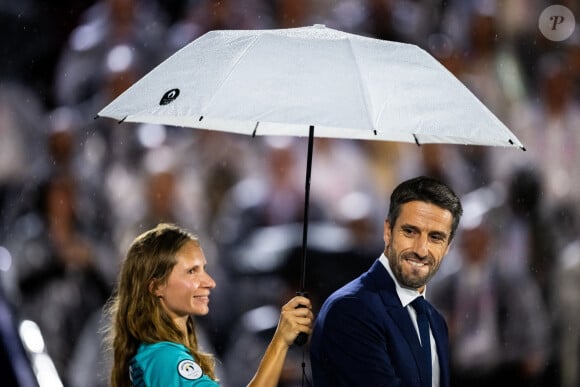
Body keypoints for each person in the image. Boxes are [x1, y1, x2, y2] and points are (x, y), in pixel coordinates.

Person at [105, 223, 313, 387]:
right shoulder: (165, 358)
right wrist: (280, 342)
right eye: (191, 271)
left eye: (203, 269)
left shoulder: (154, 351)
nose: (210, 282)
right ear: (156, 286)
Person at [310, 176, 463, 387]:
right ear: (388, 231)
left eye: (435, 237)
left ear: (448, 247)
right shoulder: (350, 309)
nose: (421, 250)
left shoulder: (436, 321)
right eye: (410, 231)